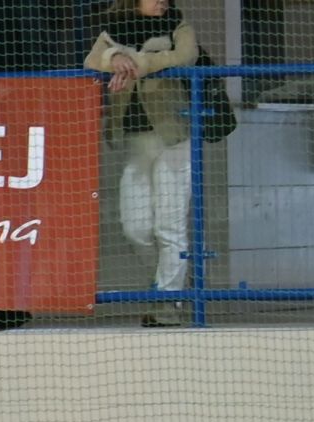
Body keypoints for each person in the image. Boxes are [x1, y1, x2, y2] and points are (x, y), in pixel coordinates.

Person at [86, 0, 200, 326]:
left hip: (172, 135)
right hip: (135, 141)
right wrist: (114, 58)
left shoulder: (178, 25)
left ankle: (168, 304)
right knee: (135, 228)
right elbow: (92, 59)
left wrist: (136, 63)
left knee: (169, 225)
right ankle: (172, 281)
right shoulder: (114, 29)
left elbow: (185, 56)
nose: (162, 1)